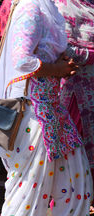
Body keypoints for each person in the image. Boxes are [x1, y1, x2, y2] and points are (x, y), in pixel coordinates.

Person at [0, 0, 94, 216]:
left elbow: (54, 48)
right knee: (31, 179)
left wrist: (68, 58)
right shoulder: (30, 8)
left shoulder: (48, 7)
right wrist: (57, 69)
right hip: (32, 108)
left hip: (51, 105)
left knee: (76, 173)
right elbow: (21, 60)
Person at [55, 0, 94, 184]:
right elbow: (63, 50)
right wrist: (91, 55)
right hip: (73, 89)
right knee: (74, 144)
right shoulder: (62, 6)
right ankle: (74, 194)